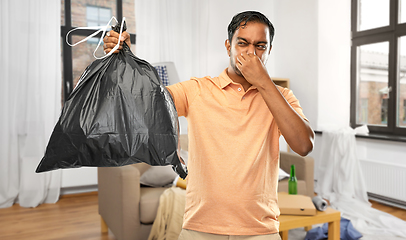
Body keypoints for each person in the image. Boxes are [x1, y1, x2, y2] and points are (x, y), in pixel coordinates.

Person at [104, 11, 314, 240]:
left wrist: (263, 81)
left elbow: (304, 145)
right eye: (242, 43)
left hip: (260, 231)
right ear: (228, 46)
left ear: (269, 50)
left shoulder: (282, 97)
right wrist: (125, 64)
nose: (251, 53)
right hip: (199, 229)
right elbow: (144, 104)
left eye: (260, 46)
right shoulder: (197, 90)